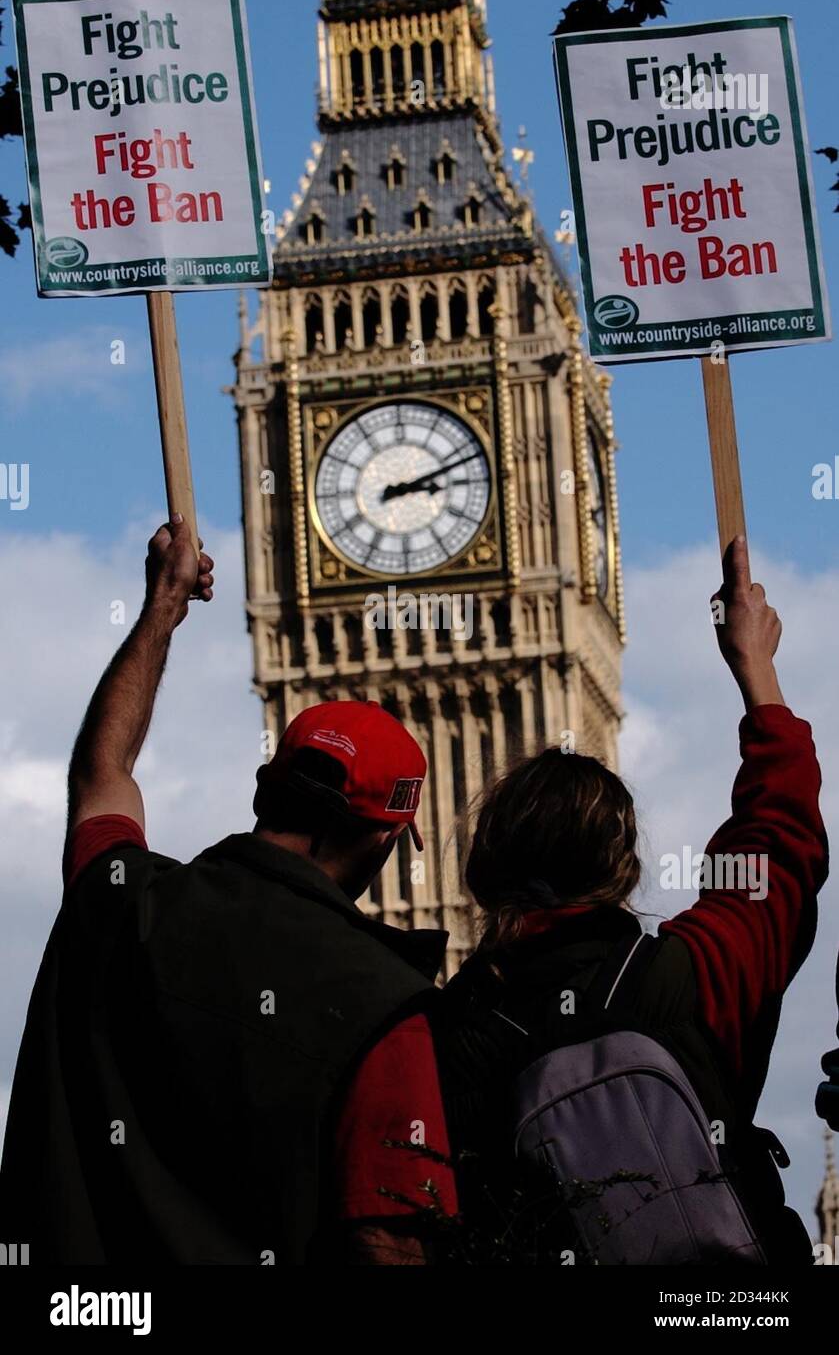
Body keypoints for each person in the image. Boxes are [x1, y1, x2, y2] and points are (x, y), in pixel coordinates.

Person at [0, 518, 456, 1265]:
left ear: (260, 790)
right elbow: (389, 1241)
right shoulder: (384, 1006)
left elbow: (101, 769)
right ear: (384, 841)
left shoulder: (119, 899)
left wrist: (162, 608)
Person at [433, 538, 829, 1265]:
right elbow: (780, 836)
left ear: (484, 869)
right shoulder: (694, 972)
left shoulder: (440, 1036)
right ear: (623, 864)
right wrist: (756, 675)